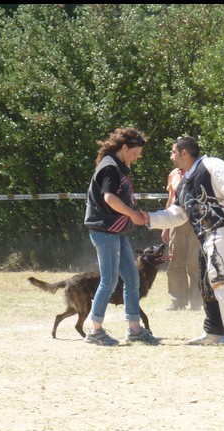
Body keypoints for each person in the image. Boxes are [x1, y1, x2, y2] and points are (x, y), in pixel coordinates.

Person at [141, 136, 224, 346]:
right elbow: (178, 214)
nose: (171, 157)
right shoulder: (183, 183)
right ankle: (214, 331)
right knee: (207, 285)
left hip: (222, 231)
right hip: (205, 237)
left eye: (173, 152)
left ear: (184, 152)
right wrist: (149, 218)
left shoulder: (212, 165)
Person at [83, 127, 158, 346]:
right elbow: (109, 198)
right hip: (105, 232)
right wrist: (132, 214)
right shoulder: (110, 167)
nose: (136, 158)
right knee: (109, 280)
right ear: (124, 147)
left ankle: (135, 329)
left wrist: (135, 212)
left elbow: (120, 199)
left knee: (133, 279)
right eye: (134, 153)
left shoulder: (119, 167)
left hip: (118, 232)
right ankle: (95, 331)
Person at [161, 167, 202, 311]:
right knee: (175, 261)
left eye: (174, 153)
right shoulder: (173, 173)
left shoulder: (200, 171)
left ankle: (197, 301)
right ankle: (178, 300)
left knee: (194, 263)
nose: (172, 157)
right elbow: (170, 199)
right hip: (175, 221)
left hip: (196, 221)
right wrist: (165, 226)